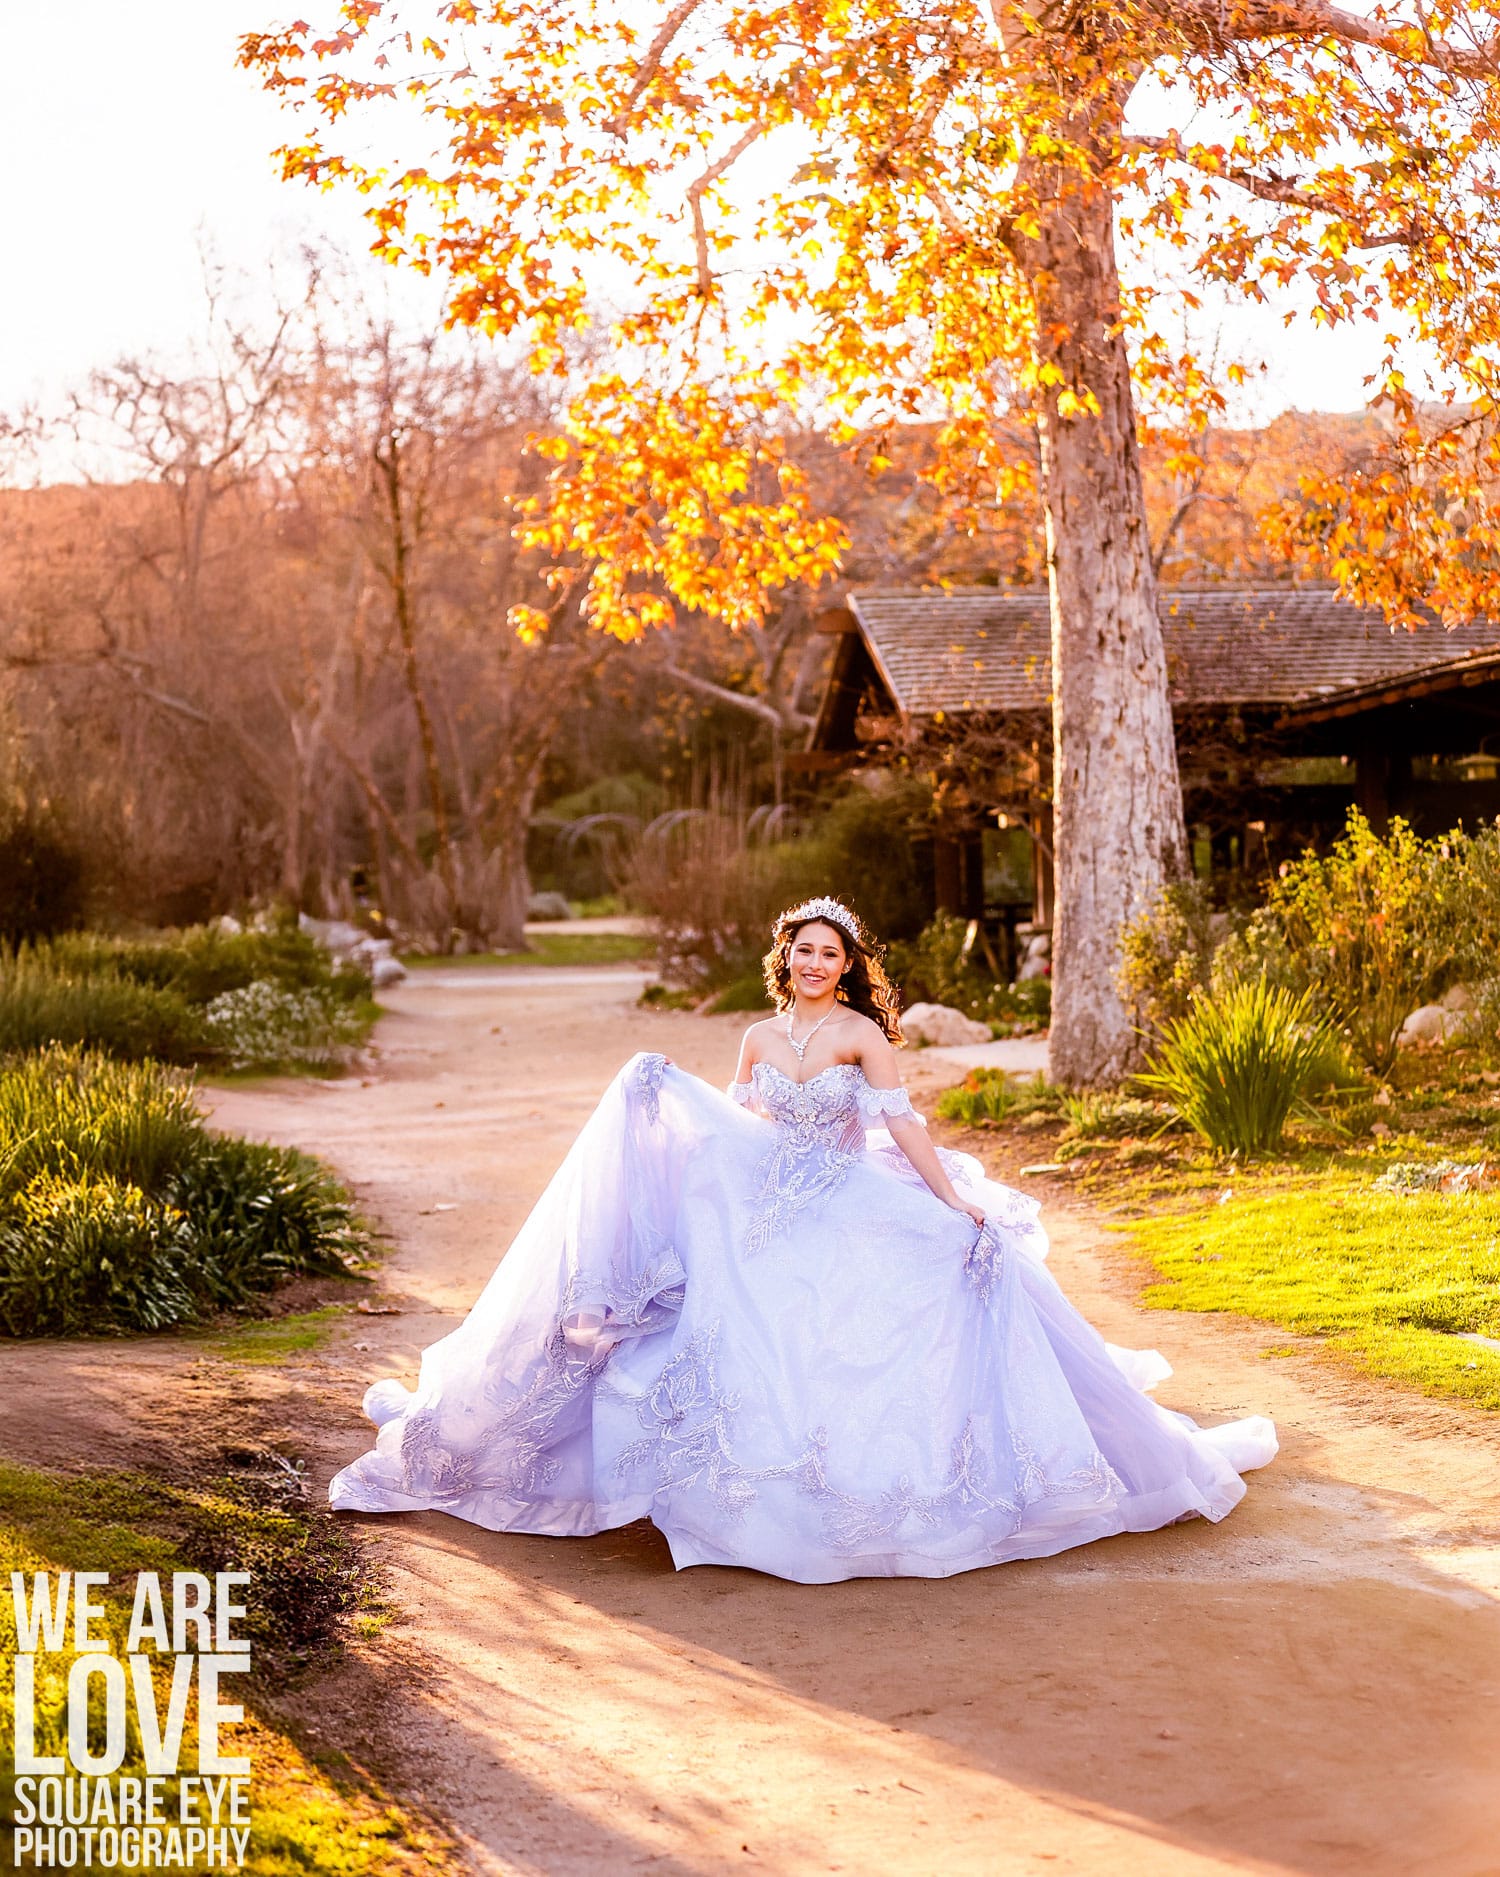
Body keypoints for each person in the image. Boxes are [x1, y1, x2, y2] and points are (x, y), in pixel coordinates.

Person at [331, 895, 1277, 1583]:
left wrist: (954, 1201)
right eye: (806, 953)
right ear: (786, 961)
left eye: (832, 953)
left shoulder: (864, 1034)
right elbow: (733, 1126)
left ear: (849, 964)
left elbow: (902, 1125)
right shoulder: (752, 1036)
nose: (818, 964)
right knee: (729, 1327)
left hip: (847, 1198)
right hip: (765, 1213)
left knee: (915, 1297)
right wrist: (660, 1098)